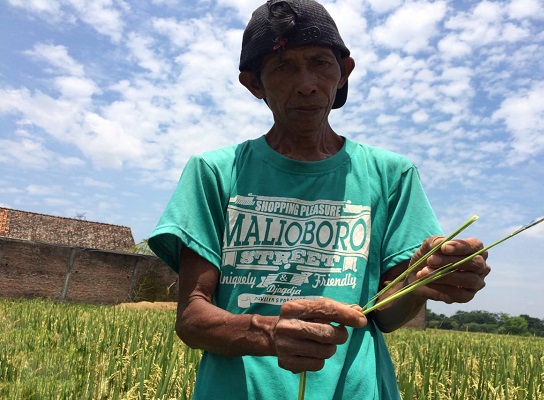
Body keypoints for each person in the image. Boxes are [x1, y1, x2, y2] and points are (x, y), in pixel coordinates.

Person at [148, 1, 491, 399]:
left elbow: (385, 315)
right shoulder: (214, 172)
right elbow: (192, 316)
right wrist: (270, 332)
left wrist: (419, 280)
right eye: (283, 67)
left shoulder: (391, 175)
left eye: (320, 63)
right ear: (254, 84)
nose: (307, 83)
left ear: (343, 73)